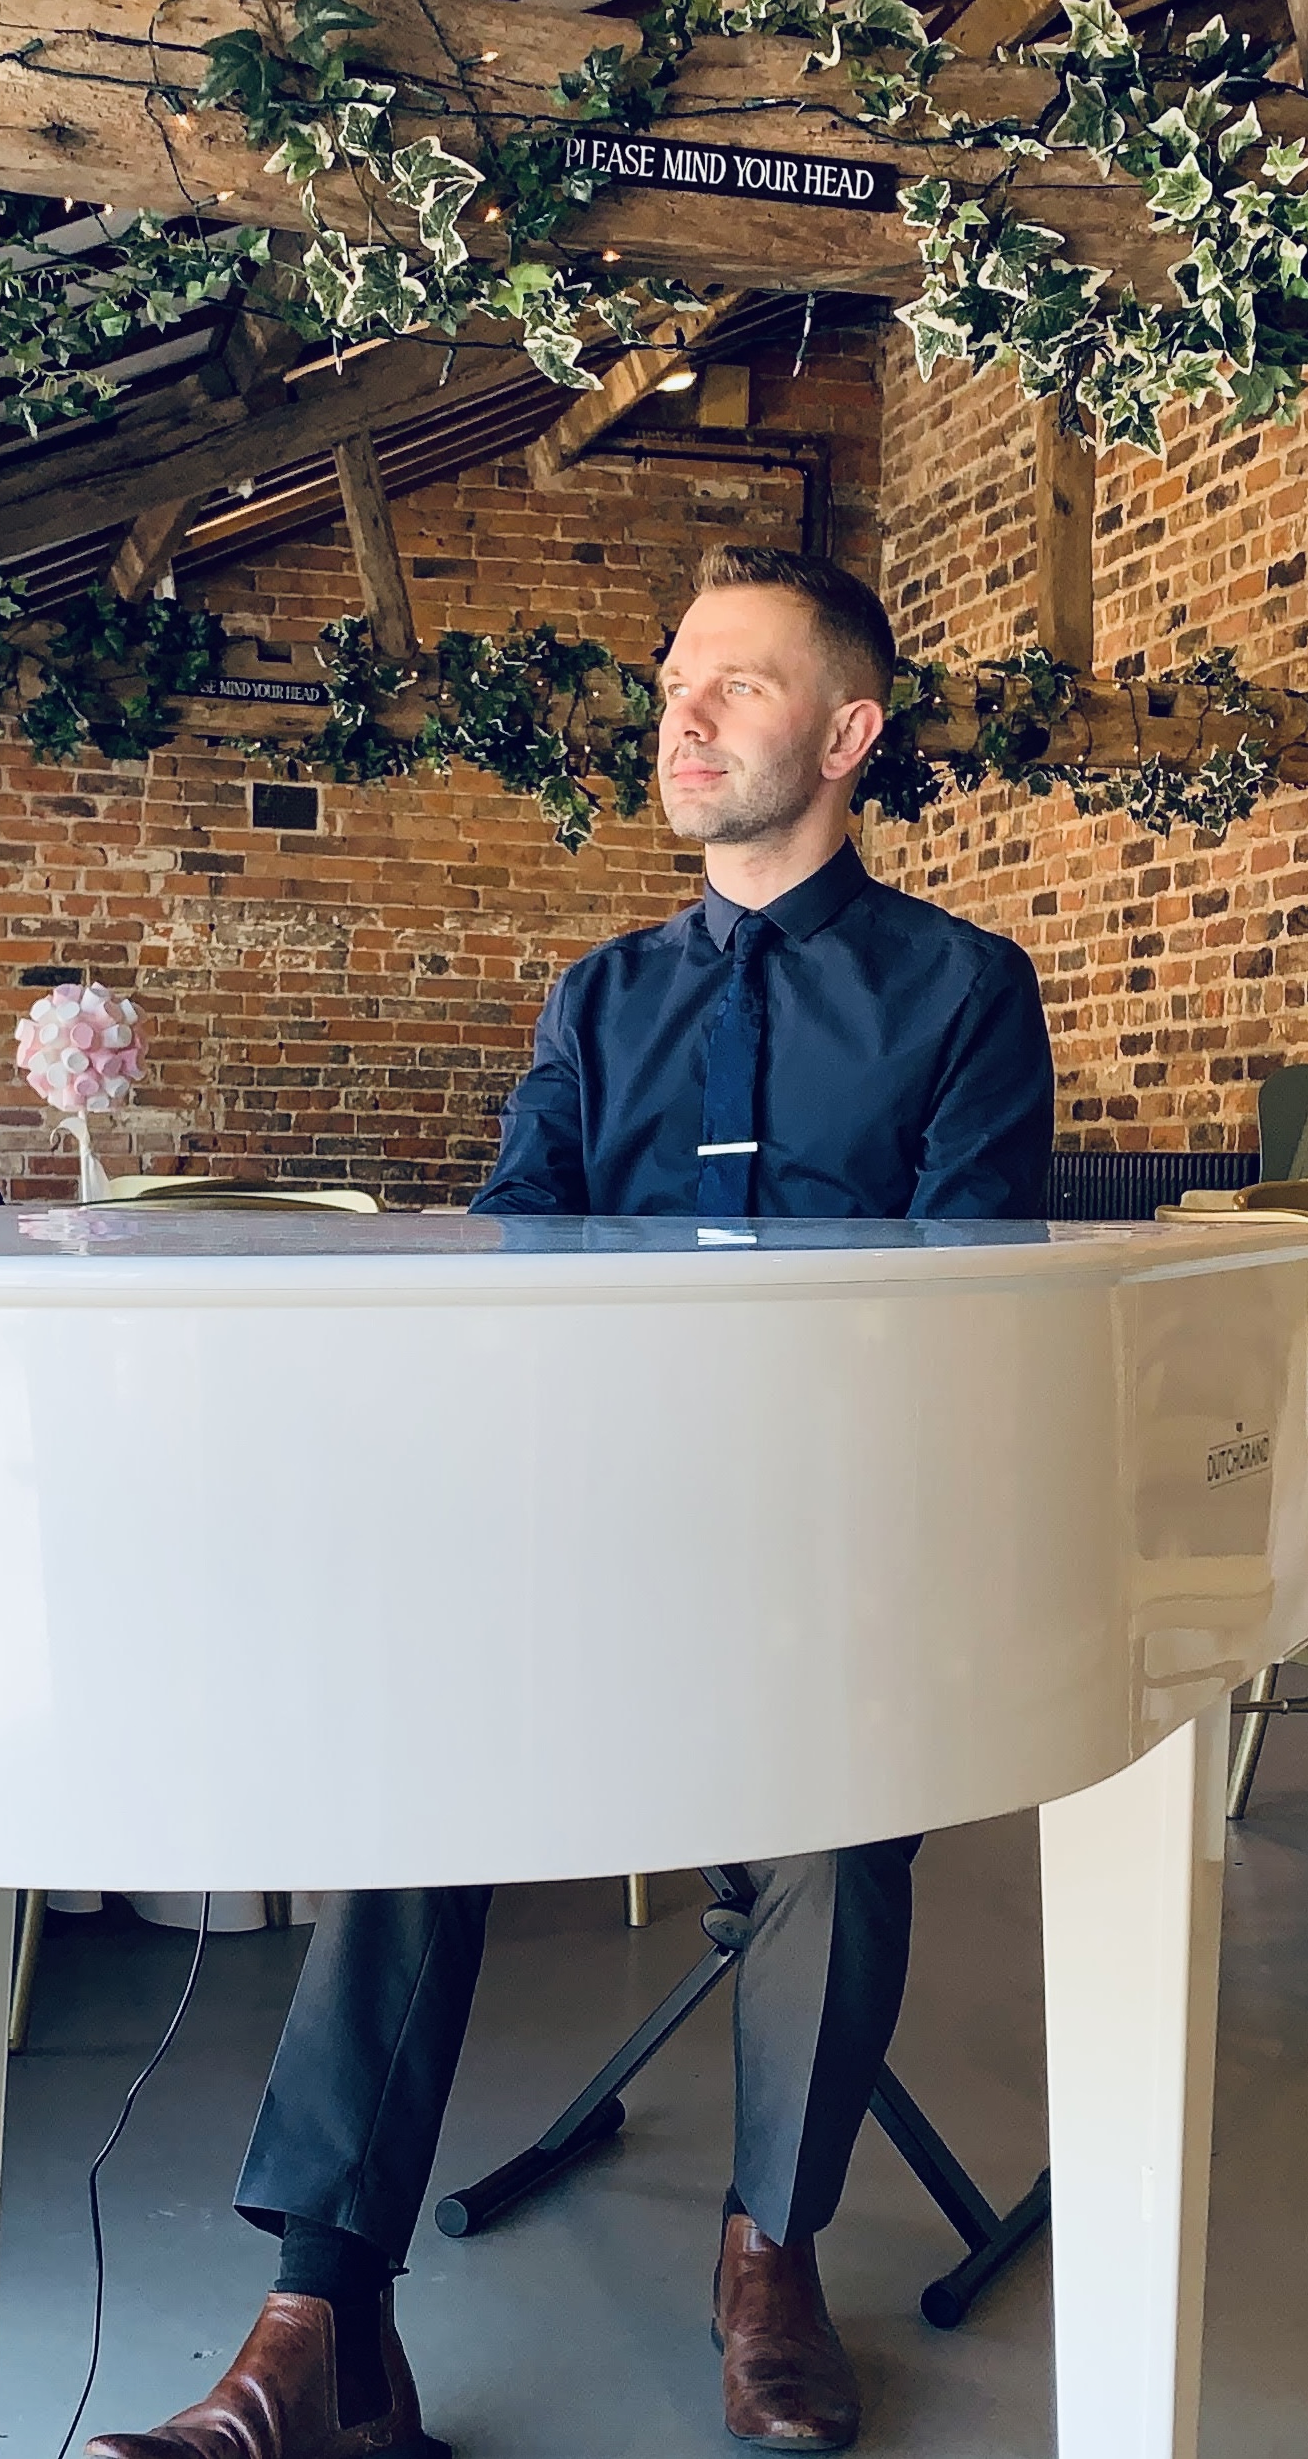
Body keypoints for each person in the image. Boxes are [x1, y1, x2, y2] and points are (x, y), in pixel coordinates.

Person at [87, 546, 1055, 2459]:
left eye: (740, 685)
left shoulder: (963, 992)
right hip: (582, 1565)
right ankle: (319, 2327)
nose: (681, 714)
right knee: (409, 1762)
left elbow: (971, 1344)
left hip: (826, 1579)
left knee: (845, 1804)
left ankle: (765, 2258)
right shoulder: (596, 998)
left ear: (847, 736)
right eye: (674, 679)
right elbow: (508, 1285)